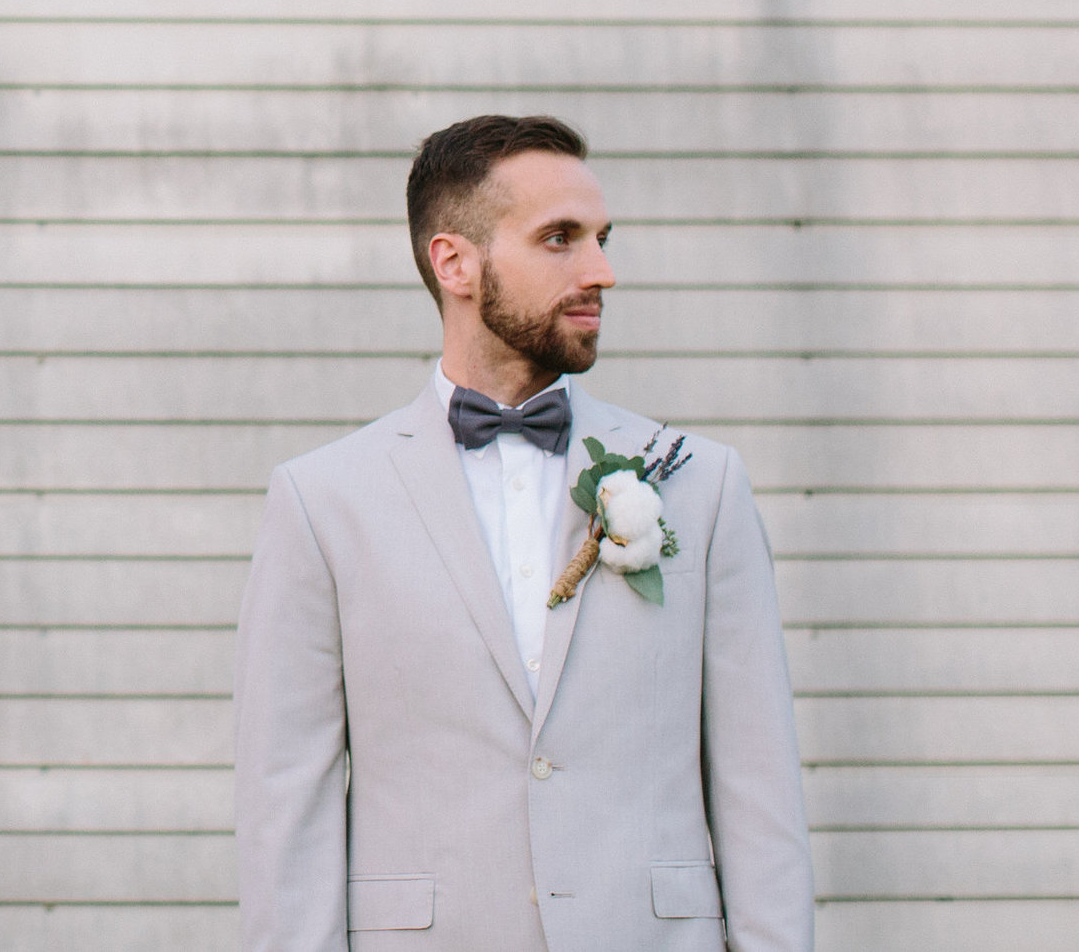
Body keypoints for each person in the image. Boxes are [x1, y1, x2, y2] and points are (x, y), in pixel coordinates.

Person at [234, 116, 813, 950]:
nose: (601, 271)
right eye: (559, 239)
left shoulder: (699, 481)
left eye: (602, 239)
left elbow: (762, 796)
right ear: (455, 262)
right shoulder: (322, 502)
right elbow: (286, 809)